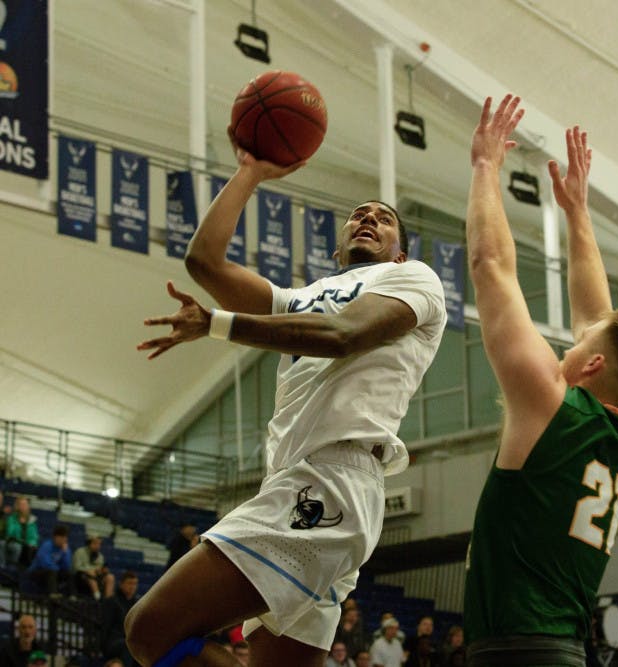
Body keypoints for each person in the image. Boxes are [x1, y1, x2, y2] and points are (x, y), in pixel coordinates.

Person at [126, 142, 446, 667]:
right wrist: (249, 172)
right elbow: (203, 262)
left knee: (150, 630)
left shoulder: (411, 278)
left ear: (401, 251)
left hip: (330, 481)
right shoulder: (296, 300)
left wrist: (217, 324)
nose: (368, 218)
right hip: (299, 485)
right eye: (358, 215)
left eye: (383, 219)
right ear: (338, 249)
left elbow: (343, 334)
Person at [462, 94, 618, 667]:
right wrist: (578, 214)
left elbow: (490, 268)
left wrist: (485, 168)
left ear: (594, 367)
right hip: (560, 649)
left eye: (577, 346)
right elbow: (596, 320)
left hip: (517, 650)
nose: (569, 342)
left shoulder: (548, 405)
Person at [101, 571, 140, 667]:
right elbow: (105, 625)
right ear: (121, 584)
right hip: (113, 641)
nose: (132, 587)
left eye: (135, 584)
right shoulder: (112, 602)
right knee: (128, 646)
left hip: (129, 641)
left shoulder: (137, 604)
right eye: (129, 583)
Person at [27, 524, 72, 595]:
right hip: (37, 571)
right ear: (56, 537)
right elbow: (45, 563)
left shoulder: (65, 549)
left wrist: (65, 553)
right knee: (52, 571)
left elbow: (67, 566)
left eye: (66, 537)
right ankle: (53, 595)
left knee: (69, 574)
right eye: (63, 537)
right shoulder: (47, 546)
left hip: (54, 572)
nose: (65, 540)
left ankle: (72, 596)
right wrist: (57, 569)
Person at [72, 535, 113, 599]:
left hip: (96, 576)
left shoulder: (100, 556)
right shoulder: (80, 552)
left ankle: (108, 600)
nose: (98, 546)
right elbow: (76, 567)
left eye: (99, 544)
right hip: (80, 576)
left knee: (110, 577)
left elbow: (100, 568)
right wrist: (88, 570)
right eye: (95, 543)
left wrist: (102, 571)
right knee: (91, 574)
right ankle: (97, 597)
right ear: (89, 543)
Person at [3, 496, 38, 568]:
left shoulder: (32, 520)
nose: (23, 507)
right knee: (18, 547)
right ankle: (12, 568)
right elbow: (10, 533)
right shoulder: (12, 518)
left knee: (33, 549)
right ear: (17, 507)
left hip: (27, 545)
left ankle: (26, 571)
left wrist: (32, 544)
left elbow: (34, 537)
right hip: (13, 542)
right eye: (21, 505)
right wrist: (19, 523)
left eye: (25, 504)